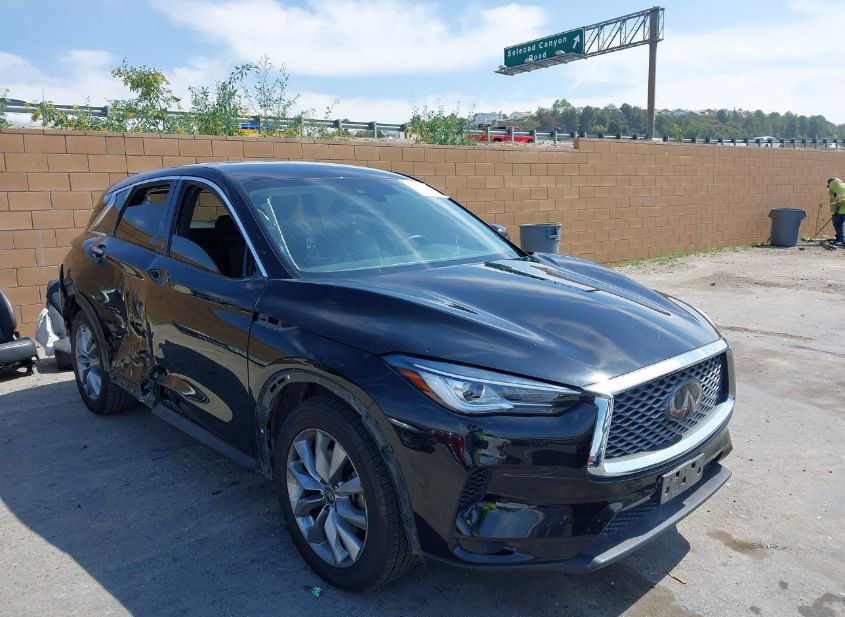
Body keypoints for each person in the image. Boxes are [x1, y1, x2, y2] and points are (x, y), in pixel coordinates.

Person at [828, 177, 845, 246]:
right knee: (838, 224)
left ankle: (841, 240)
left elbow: (841, 199)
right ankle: (838, 238)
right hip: (842, 209)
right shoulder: (842, 185)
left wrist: (836, 210)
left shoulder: (833, 185)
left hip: (840, 210)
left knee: (837, 224)